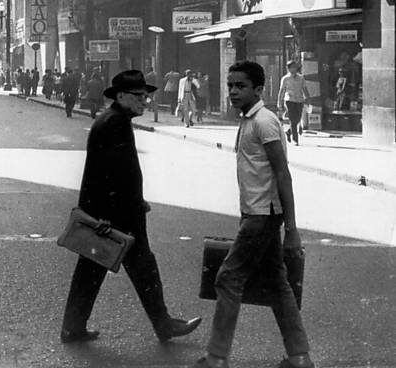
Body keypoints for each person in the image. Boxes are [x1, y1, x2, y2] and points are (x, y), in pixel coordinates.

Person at [61, 69, 201, 344]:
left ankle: (73, 327)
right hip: (119, 215)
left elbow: (109, 172)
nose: (144, 101)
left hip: (113, 212)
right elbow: (109, 174)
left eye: (146, 96)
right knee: (142, 269)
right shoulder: (114, 123)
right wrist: (105, 215)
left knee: (93, 270)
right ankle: (164, 325)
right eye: (138, 97)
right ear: (122, 96)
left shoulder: (113, 120)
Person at [193, 61, 313, 368]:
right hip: (257, 213)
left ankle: (217, 358)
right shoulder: (249, 119)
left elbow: (283, 175)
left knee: (227, 278)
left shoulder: (264, 121)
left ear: (258, 89)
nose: (233, 91)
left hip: (262, 215)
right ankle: (299, 358)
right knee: (276, 282)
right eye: (231, 85)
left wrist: (293, 230)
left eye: (240, 86)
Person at [277, 60, 310, 146]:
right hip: (289, 100)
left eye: (295, 67)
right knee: (292, 120)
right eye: (292, 67)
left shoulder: (301, 78)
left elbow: (304, 89)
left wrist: (308, 98)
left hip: (299, 100)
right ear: (288, 68)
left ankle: (289, 131)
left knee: (298, 119)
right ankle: (295, 139)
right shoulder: (285, 78)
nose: (294, 69)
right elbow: (281, 91)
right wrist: (279, 102)